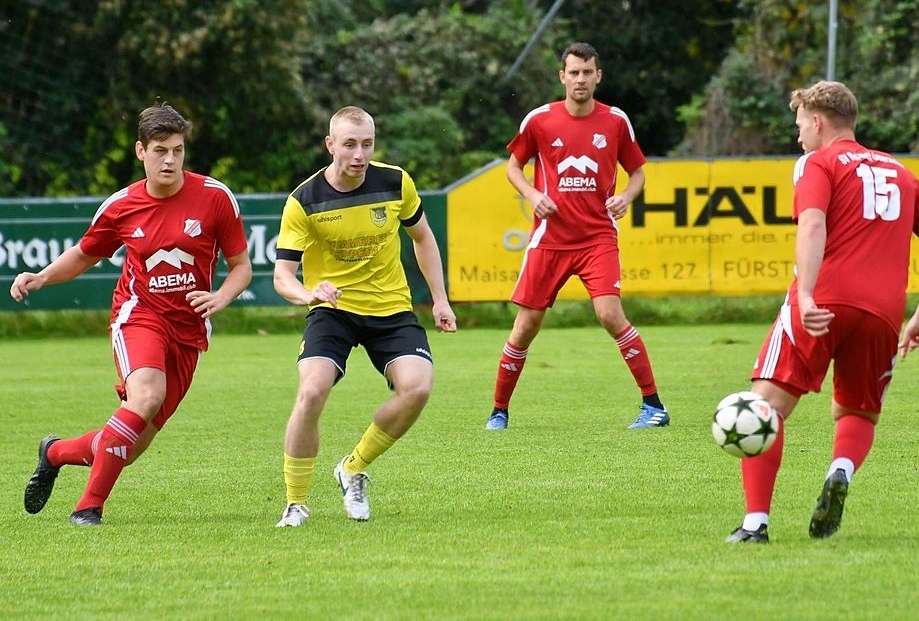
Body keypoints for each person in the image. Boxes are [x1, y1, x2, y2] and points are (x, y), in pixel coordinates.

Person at [726, 80, 919, 543]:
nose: (798, 135)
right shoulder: (901, 172)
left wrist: (806, 294)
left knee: (763, 407)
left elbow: (813, 224)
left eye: (800, 125)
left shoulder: (818, 162)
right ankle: (841, 469)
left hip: (825, 300)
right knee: (858, 410)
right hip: (883, 313)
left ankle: (755, 525)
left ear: (817, 122)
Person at [12, 103, 252, 526]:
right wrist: (42, 277)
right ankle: (88, 508)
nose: (170, 160)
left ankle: (55, 452)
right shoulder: (122, 205)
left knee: (131, 446)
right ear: (141, 151)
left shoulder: (215, 197)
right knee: (146, 396)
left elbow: (241, 267)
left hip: (189, 330)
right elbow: (84, 254)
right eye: (160, 151)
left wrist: (222, 297)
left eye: (177, 150)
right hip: (139, 315)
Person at [273, 106, 456, 527]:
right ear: (330, 144)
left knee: (417, 388)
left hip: (391, 308)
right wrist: (308, 294)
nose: (359, 155)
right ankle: (296, 503)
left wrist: (440, 299)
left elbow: (423, 238)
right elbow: (283, 276)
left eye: (367, 144)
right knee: (312, 391)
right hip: (333, 310)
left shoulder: (395, 182)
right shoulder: (304, 200)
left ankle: (352, 468)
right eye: (350, 145)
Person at [484, 42, 668, 431]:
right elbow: (513, 167)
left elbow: (637, 173)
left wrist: (626, 197)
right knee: (526, 326)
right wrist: (532, 195)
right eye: (574, 72)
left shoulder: (615, 121)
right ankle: (499, 411)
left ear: (598, 76)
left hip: (597, 237)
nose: (580, 79)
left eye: (587, 72)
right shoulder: (539, 120)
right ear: (562, 77)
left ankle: (654, 406)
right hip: (549, 239)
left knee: (609, 314)